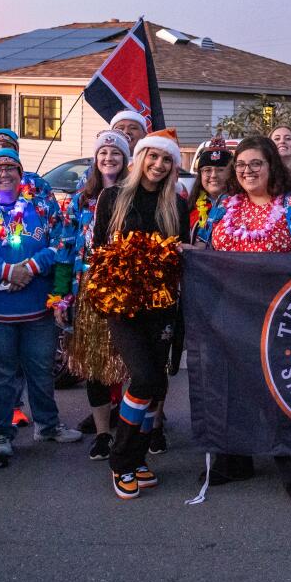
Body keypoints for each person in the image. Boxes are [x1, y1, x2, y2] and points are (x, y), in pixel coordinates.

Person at [198, 135, 291, 509]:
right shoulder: (224, 206)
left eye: (255, 163)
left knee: (288, 389)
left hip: (284, 314)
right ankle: (234, 458)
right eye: (241, 165)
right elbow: (203, 249)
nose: (247, 171)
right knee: (233, 385)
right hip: (231, 312)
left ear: (272, 165)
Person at [0, 146, 81, 457]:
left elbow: (61, 242)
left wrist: (32, 268)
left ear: (20, 174)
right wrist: (8, 270)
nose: (4, 174)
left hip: (37, 307)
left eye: (10, 168)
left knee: (40, 369)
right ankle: (1, 432)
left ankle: (48, 425)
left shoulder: (41, 206)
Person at [89, 128, 192, 499]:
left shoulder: (176, 204)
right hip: (123, 306)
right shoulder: (113, 197)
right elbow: (99, 249)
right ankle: (122, 461)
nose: (159, 165)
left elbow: (180, 256)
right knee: (144, 378)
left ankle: (137, 460)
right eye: (154, 156)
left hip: (161, 306)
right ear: (141, 157)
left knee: (158, 384)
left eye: (167, 160)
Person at [56, 130, 132, 459]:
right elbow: (64, 246)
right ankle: (103, 434)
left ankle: (140, 431)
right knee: (96, 362)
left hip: (129, 289)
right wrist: (61, 294)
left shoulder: (136, 196)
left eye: (116, 154)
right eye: (103, 153)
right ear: (95, 159)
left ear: (127, 160)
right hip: (89, 288)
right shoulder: (80, 200)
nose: (109, 158)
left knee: (134, 360)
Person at [188, 136, 233, 244]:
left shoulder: (240, 206)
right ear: (200, 175)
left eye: (220, 170)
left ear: (231, 173)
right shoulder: (189, 206)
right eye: (207, 170)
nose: (213, 175)